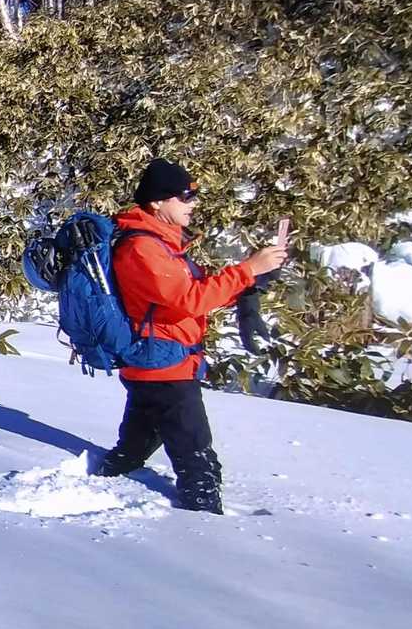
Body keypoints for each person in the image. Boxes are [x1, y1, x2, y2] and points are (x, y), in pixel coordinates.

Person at [91, 159, 288, 513]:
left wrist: (247, 283)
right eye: (184, 197)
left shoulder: (162, 243)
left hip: (158, 360)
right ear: (157, 202)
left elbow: (193, 293)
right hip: (163, 366)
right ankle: (201, 524)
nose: (192, 204)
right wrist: (247, 270)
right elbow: (187, 300)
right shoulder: (143, 248)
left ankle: (105, 476)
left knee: (134, 445)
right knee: (197, 462)